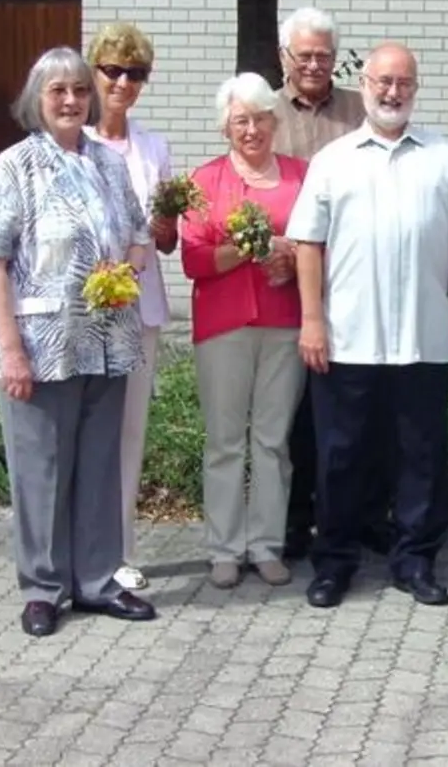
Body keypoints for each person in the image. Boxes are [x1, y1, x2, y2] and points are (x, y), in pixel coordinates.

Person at [286, 42, 448, 609]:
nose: (392, 92)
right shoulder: (335, 158)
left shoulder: (444, 157)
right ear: (365, 83)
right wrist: (310, 320)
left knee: (420, 456)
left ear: (415, 88)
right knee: (340, 457)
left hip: (422, 338)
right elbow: (308, 242)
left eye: (403, 82)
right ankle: (334, 562)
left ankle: (415, 560)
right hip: (346, 338)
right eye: (383, 81)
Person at [0, 46, 157, 638]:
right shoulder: (13, 167)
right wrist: (11, 349)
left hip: (107, 339)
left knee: (100, 467)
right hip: (42, 345)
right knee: (42, 471)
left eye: (79, 89)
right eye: (58, 91)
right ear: (37, 101)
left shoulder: (108, 162)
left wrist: (121, 271)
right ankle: (44, 589)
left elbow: (139, 235)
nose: (72, 100)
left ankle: (98, 582)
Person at [181, 73, 309, 589]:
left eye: (260, 118)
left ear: (275, 121)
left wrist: (292, 257)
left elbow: (321, 240)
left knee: (274, 441)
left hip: (285, 320)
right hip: (223, 325)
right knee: (226, 441)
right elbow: (193, 259)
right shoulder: (205, 180)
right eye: (241, 121)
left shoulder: (303, 175)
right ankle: (225, 548)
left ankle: (267, 544)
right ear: (225, 128)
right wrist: (250, 250)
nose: (252, 129)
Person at [269, 6, 387, 561]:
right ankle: (293, 520)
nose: (314, 64)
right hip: (279, 280)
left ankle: (358, 516)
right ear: (284, 57)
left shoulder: (356, 111)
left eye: (323, 55)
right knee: (292, 411)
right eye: (304, 55)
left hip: (351, 280)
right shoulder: (264, 111)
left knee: (352, 409)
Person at [82, 22, 179, 592]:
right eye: (112, 70)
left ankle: (120, 550)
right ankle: (76, 545)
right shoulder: (74, 141)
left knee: (128, 430)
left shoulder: (154, 147)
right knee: (82, 427)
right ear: (94, 72)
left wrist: (166, 227)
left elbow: (164, 240)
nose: (122, 82)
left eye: (135, 73)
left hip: (139, 306)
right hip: (82, 309)